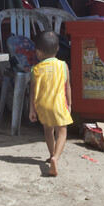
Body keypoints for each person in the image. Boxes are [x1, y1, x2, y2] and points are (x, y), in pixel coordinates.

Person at [29, 30, 72, 177]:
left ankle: (50, 153)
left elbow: (33, 92)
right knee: (62, 132)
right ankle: (56, 157)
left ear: (39, 52)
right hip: (59, 105)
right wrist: (70, 104)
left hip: (43, 106)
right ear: (58, 49)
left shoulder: (35, 69)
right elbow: (67, 87)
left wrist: (32, 110)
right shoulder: (63, 66)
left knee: (48, 130)